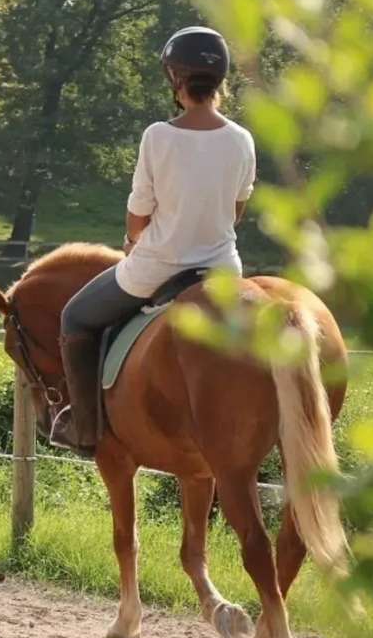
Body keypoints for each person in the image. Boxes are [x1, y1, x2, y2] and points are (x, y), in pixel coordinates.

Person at [49, 25, 257, 456]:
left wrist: (132, 241)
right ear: (221, 82)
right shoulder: (241, 139)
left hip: (156, 267)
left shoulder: (158, 136)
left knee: (75, 318)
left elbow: (139, 211)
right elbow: (236, 211)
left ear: (175, 80)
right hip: (222, 271)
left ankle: (84, 428)